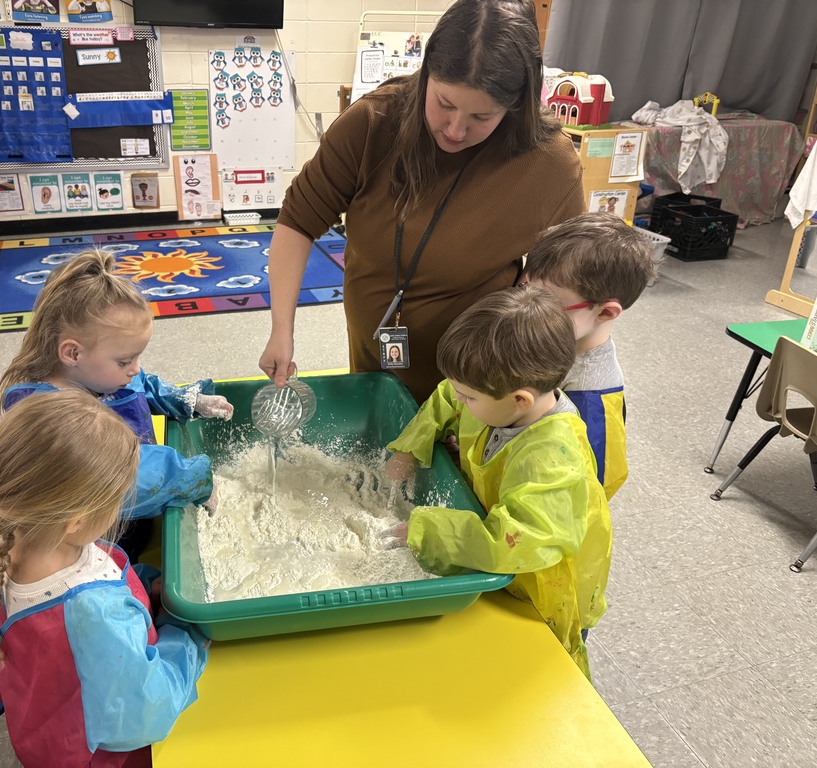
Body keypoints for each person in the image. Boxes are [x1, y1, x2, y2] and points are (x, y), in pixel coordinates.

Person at [258, 0, 584, 403]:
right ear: (426, 72)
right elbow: (297, 220)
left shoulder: (549, 163)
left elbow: (564, 285)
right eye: (444, 104)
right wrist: (281, 330)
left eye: (483, 117)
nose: (455, 130)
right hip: (374, 361)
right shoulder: (373, 123)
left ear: (517, 104)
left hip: (481, 387)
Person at [382, 287, 611, 679]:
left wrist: (425, 529)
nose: (460, 400)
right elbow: (446, 398)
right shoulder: (494, 399)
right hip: (505, 569)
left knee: (543, 672)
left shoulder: (552, 460)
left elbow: (518, 541)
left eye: (468, 397)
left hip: (543, 588)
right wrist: (408, 448)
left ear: (520, 400)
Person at [0, 389, 208, 768]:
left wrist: (145, 583)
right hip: (97, 752)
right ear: (77, 520)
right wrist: (186, 636)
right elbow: (145, 712)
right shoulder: (92, 614)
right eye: (118, 498)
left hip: (49, 723)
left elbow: (104, 574)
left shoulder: (18, 546)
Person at [0, 249, 234, 563]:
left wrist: (186, 400)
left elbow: (141, 386)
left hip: (133, 517)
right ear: (72, 353)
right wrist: (195, 478)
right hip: (91, 547)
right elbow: (119, 478)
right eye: (125, 360)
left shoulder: (103, 373)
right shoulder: (50, 418)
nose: (134, 368)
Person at [520, 212, 658, 500]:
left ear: (605, 312)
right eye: (525, 289)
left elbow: (590, 492)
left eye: (547, 302)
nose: (526, 309)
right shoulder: (551, 338)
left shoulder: (592, 399)